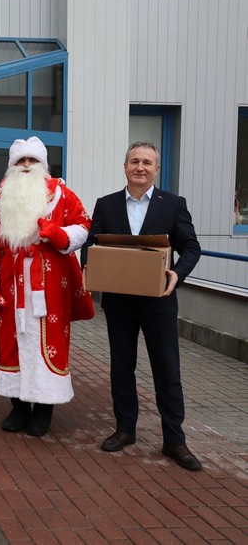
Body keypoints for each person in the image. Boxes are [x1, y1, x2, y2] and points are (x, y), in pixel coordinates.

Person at [82, 141, 202, 471]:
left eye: (147, 162)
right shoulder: (106, 204)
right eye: (134, 161)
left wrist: (177, 273)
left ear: (156, 170)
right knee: (121, 367)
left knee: (167, 370)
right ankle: (125, 430)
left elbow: (191, 247)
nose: (140, 167)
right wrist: (88, 265)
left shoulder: (173, 205)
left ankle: (174, 440)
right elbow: (92, 243)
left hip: (159, 300)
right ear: (125, 167)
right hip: (118, 301)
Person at [0, 137, 93, 437]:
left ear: (43, 165)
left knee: (49, 341)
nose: (26, 166)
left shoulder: (62, 195)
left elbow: (84, 226)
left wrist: (58, 234)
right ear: (11, 166)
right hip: (11, 284)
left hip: (51, 285)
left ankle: (43, 409)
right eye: (20, 161)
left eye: (32, 161)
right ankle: (18, 407)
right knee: (11, 342)